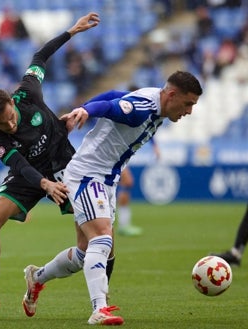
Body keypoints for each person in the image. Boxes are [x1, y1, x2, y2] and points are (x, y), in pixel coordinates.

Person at [23, 71, 203, 325]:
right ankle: (99, 308)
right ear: (172, 95)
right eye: (188, 104)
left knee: (87, 252)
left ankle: (37, 278)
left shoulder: (154, 101)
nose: (189, 111)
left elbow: (114, 96)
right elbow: (110, 105)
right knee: (103, 238)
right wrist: (88, 111)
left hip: (106, 179)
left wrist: (84, 108)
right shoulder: (141, 108)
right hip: (87, 175)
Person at [0, 12, 101, 320]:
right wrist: (44, 184)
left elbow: (40, 55)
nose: (9, 125)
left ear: (13, 103)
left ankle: (39, 278)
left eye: (10, 117)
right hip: (31, 176)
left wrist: (72, 31)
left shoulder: (29, 91)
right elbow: (20, 164)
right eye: (2, 122)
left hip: (66, 166)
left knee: (93, 241)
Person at [116, 138, 160, 236]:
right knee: (126, 182)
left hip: (117, 151)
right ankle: (121, 224)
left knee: (126, 182)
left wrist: (154, 146)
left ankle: (122, 224)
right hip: (110, 151)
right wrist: (155, 146)